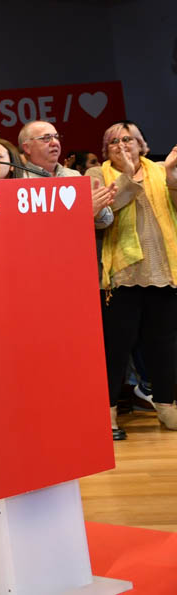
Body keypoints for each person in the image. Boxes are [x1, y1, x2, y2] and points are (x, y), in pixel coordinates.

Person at [87, 121, 177, 437]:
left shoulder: (159, 170)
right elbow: (103, 217)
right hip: (120, 276)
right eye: (113, 141)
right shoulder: (97, 176)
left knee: (164, 345)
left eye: (128, 139)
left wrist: (172, 178)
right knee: (116, 348)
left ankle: (167, 407)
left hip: (163, 270)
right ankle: (108, 413)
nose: (122, 144)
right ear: (104, 150)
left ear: (143, 145)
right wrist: (126, 174)